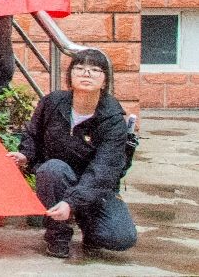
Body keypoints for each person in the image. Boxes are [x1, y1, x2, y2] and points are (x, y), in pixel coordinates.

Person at [8, 50, 137, 259]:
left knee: (120, 237)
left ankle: (86, 221)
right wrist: (25, 156)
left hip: (96, 187)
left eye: (95, 70)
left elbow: (103, 171)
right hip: (58, 177)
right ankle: (57, 237)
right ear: (70, 76)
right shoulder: (52, 103)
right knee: (52, 169)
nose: (86, 73)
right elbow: (33, 134)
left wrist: (72, 203)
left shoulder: (113, 120)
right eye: (79, 68)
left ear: (105, 81)